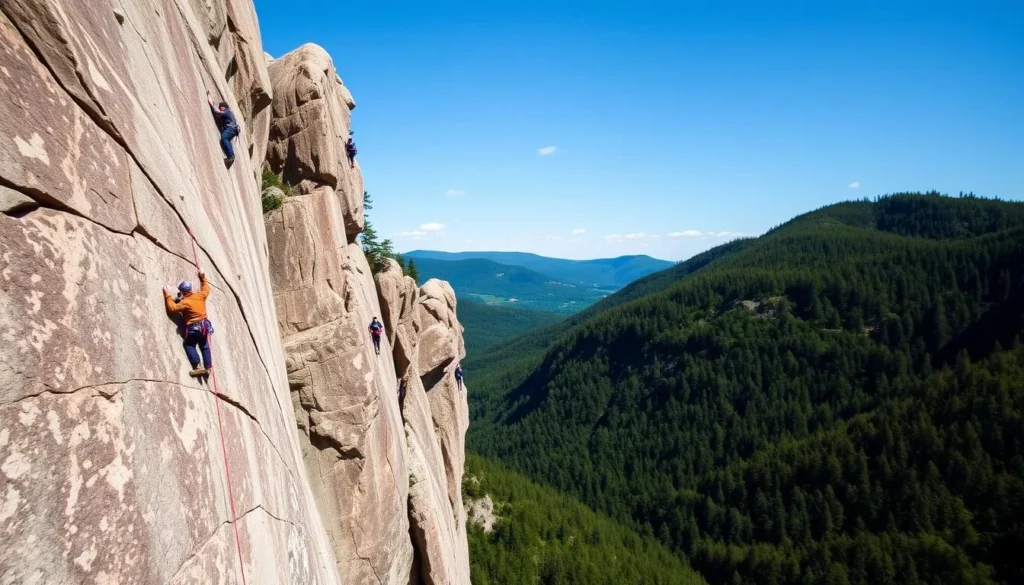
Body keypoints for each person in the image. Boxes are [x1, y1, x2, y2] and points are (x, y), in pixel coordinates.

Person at [164, 271, 214, 377]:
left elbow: (172, 308)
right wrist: (203, 277)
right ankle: (208, 367)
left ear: (183, 292)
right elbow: (206, 289)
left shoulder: (185, 302)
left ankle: (197, 366)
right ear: (190, 288)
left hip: (193, 329)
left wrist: (168, 295)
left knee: (189, 344)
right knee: (205, 346)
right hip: (204, 327)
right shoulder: (200, 295)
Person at [207, 90, 240, 163]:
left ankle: (231, 156)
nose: (219, 108)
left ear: (223, 107)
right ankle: (230, 156)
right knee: (226, 140)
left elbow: (217, 112)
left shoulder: (226, 112)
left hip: (230, 129)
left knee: (224, 138)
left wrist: (210, 100)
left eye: (220, 107)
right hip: (233, 130)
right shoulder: (229, 112)